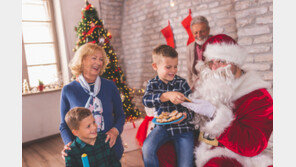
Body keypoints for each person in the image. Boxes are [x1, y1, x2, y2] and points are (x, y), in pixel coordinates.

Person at [190, 34, 273, 167]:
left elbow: (252, 145)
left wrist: (217, 117)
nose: (215, 68)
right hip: (198, 146)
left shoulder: (258, 96)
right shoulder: (206, 84)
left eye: (221, 62)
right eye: (211, 62)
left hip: (235, 155)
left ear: (235, 62)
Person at [59, 43, 125, 161]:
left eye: (101, 59)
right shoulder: (69, 90)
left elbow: (120, 115)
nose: (99, 63)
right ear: (82, 60)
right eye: (94, 58)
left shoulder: (110, 86)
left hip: (110, 147)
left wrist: (115, 131)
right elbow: (64, 124)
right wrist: (69, 144)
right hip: (83, 152)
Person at [142, 44, 195, 167]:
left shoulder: (182, 83)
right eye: (168, 67)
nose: (173, 71)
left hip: (183, 129)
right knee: (147, 148)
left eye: (175, 67)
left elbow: (192, 107)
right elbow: (146, 100)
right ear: (155, 66)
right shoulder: (152, 84)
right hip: (162, 128)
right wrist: (166, 96)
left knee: (186, 164)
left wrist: (185, 116)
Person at [186, 16, 212, 88]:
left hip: (213, 85)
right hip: (196, 86)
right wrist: (191, 87)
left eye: (202, 31)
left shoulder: (216, 42)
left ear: (208, 30)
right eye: (196, 33)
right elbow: (189, 72)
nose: (199, 35)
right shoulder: (189, 48)